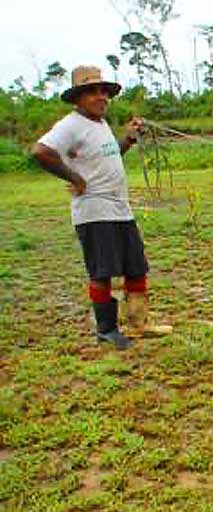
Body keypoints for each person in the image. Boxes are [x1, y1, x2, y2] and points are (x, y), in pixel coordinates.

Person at [31, 65, 171, 349]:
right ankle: (106, 329)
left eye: (104, 91)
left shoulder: (100, 124)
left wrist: (128, 140)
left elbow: (107, 156)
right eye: (92, 92)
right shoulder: (70, 125)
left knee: (135, 267)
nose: (101, 97)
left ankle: (140, 323)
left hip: (120, 208)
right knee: (102, 271)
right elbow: (40, 151)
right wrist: (74, 177)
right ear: (77, 98)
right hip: (94, 211)